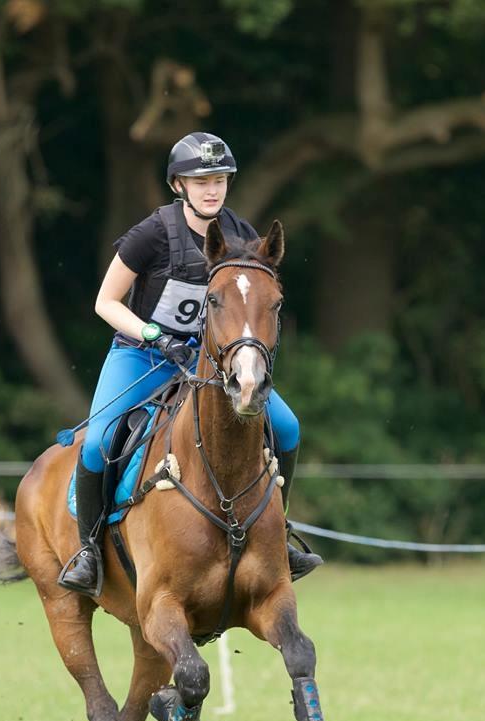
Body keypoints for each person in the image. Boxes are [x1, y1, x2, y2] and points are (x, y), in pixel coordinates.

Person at [59, 131, 322, 595]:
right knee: (98, 441)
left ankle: (279, 532)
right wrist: (155, 335)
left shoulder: (241, 236)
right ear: (178, 185)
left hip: (212, 366)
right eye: (200, 181)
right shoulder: (151, 234)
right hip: (143, 355)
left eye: (219, 179)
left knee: (288, 428)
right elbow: (106, 301)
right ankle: (88, 552)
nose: (212, 189)